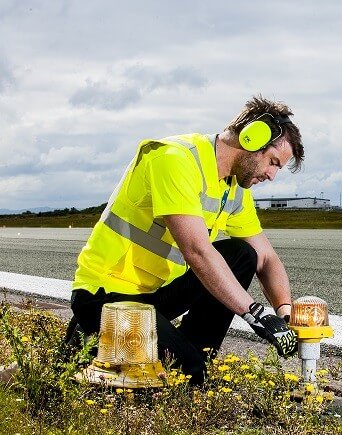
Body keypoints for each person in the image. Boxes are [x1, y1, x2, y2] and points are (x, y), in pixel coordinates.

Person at [67, 95, 303, 384]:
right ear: (253, 138)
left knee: (243, 254)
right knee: (187, 375)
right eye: (273, 162)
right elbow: (197, 252)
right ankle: (98, 336)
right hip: (106, 296)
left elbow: (265, 258)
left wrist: (284, 312)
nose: (272, 176)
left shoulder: (234, 189)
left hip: (155, 298)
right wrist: (256, 315)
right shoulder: (175, 159)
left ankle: (193, 355)